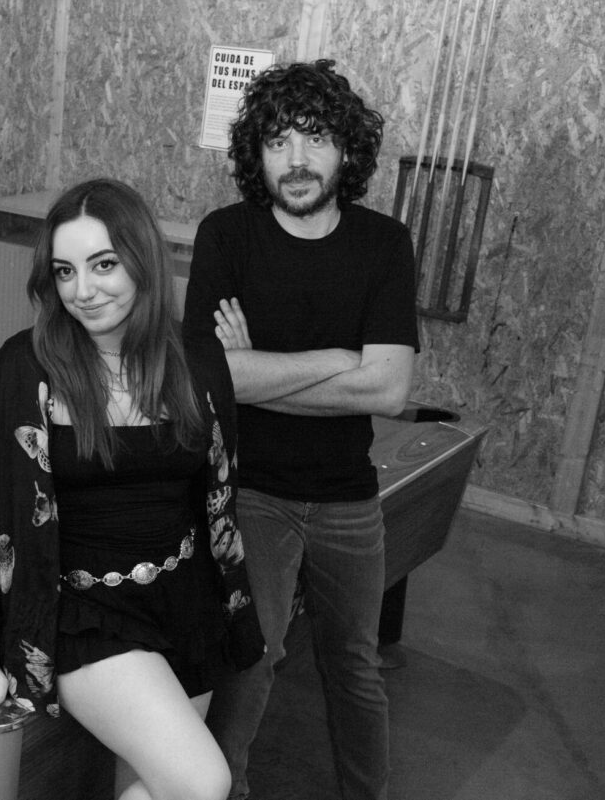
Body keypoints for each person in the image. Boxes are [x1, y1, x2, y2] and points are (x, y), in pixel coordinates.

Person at [0, 179, 264, 800]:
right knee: (203, 782)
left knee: (154, 787)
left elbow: (218, 491)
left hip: (184, 599)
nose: (83, 290)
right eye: (65, 271)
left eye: (103, 264)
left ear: (142, 260)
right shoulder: (24, 366)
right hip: (82, 614)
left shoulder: (197, 357)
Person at [182, 59, 419, 800]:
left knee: (355, 664)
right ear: (256, 154)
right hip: (251, 489)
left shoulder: (384, 244)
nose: (296, 159)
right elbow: (211, 380)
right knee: (252, 657)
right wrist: (339, 361)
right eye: (278, 140)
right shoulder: (227, 236)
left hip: (349, 495)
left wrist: (256, 367)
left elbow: (389, 388)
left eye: (315, 138)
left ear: (347, 150)